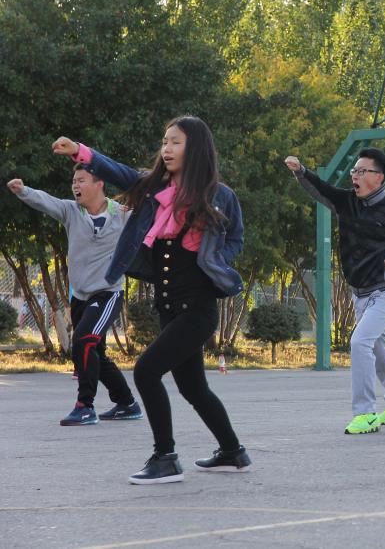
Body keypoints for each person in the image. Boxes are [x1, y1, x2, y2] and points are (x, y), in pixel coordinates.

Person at [53, 117, 251, 484]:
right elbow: (119, 172)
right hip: (169, 305)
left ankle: (165, 458)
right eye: (165, 141)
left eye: (176, 142)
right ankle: (232, 452)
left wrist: (215, 259)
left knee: (145, 371)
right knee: (193, 387)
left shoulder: (218, 194)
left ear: (196, 148)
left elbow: (236, 238)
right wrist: (80, 151)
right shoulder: (154, 189)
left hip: (198, 308)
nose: (167, 149)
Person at [285, 148, 385, 435]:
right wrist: (301, 172)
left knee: (360, 342)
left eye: (362, 171)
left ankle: (365, 413)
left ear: (379, 177)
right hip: (359, 294)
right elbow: (321, 189)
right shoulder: (347, 201)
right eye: (354, 171)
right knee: (378, 351)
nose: (355, 176)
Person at [8, 170, 142, 426]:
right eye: (73, 181)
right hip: (81, 296)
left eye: (81, 181)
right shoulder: (71, 211)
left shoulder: (122, 215)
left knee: (84, 341)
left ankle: (85, 406)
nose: (75, 186)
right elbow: (47, 202)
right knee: (95, 353)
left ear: (99, 184)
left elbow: (152, 222)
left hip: (108, 293)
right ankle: (127, 403)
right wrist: (23, 191)